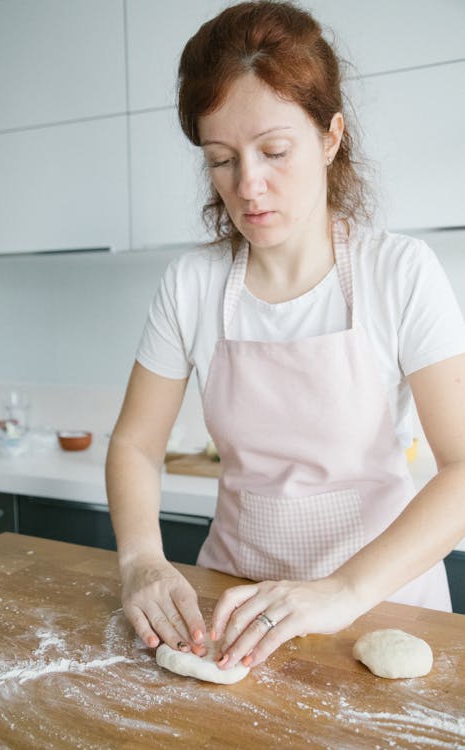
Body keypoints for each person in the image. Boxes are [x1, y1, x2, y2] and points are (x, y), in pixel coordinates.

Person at [106, 0, 465, 673]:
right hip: (232, 607)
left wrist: (343, 592)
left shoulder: (398, 272)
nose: (249, 186)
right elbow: (133, 442)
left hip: (378, 602)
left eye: (274, 151)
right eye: (221, 160)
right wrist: (142, 561)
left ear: (330, 137)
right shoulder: (192, 284)